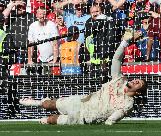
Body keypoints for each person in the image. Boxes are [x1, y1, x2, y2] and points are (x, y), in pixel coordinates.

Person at [19, 30, 148, 125]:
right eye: (137, 79)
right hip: (83, 101)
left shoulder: (128, 104)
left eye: (139, 84)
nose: (136, 80)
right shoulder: (119, 80)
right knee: (50, 104)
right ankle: (36, 103)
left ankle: (43, 122)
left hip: (86, 117)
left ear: (137, 92)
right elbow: (116, 59)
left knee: (52, 120)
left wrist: (111, 120)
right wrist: (124, 42)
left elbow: (113, 119)